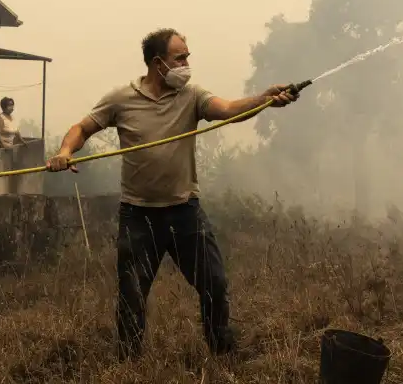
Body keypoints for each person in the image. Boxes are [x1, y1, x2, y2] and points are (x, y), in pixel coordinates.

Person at [46, 28, 298, 360]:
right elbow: (83, 128)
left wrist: (264, 98)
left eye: (187, 56)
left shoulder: (191, 96)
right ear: (157, 63)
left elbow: (228, 109)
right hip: (138, 215)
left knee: (215, 283)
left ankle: (223, 353)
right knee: (132, 295)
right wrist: (66, 150)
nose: (187, 62)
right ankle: (129, 363)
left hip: (185, 211)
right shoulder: (121, 99)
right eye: (180, 57)